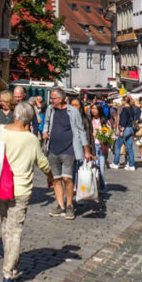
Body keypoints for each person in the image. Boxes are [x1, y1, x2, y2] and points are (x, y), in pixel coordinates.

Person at [0, 100, 53, 282]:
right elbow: (42, 162)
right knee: (14, 230)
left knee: (6, 224)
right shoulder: (30, 139)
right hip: (20, 189)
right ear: (29, 119)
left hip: (0, 187)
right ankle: (8, 274)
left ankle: (10, 263)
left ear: (15, 115)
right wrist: (50, 177)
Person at [42, 88, 92, 220]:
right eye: (51, 98)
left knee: (67, 178)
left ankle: (69, 205)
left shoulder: (72, 111)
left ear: (61, 99)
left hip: (69, 149)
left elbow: (81, 131)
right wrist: (45, 131)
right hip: (53, 149)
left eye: (53, 98)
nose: (51, 101)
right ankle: (60, 205)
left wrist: (86, 150)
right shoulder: (50, 110)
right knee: (56, 179)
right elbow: (46, 123)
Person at [110, 95, 138, 171]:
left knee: (118, 146)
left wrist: (121, 130)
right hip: (131, 129)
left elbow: (123, 121)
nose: (121, 102)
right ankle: (131, 165)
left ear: (125, 101)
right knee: (129, 147)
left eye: (122, 100)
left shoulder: (125, 110)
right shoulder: (132, 109)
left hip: (125, 129)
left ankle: (115, 163)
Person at [88, 102, 109, 188]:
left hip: (103, 146)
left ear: (99, 110)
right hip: (93, 145)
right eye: (92, 108)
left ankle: (101, 186)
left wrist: (99, 132)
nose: (93, 110)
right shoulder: (89, 119)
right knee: (94, 166)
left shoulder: (104, 120)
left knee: (101, 167)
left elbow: (108, 134)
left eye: (95, 108)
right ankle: (95, 185)